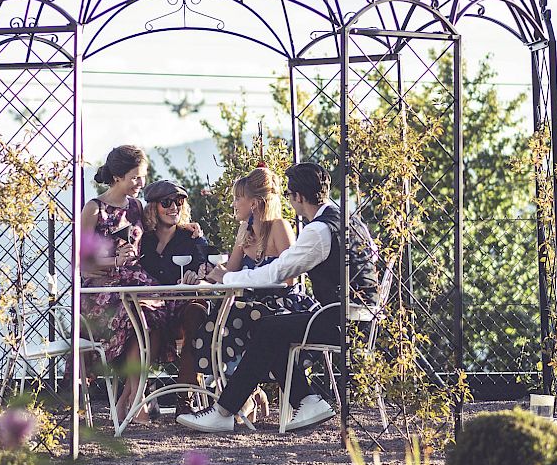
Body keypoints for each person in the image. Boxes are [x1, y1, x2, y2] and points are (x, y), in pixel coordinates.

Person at [177, 162, 381, 433]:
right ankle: (304, 400)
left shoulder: (318, 230)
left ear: (297, 197)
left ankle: (226, 411)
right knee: (271, 327)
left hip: (340, 318)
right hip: (363, 314)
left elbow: (278, 272)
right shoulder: (349, 220)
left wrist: (227, 278)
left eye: (290, 196)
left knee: (268, 327)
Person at [182, 167, 312, 411]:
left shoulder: (279, 227)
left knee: (238, 316)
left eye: (237, 198)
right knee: (220, 316)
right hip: (249, 305)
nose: (233, 203)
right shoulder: (245, 231)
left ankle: (239, 398)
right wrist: (205, 275)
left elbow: (289, 280)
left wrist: (232, 276)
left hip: (281, 304)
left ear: (253, 203)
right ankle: (244, 394)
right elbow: (227, 273)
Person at [78, 144, 182, 424]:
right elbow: (83, 265)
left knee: (159, 311)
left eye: (142, 176)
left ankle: (131, 396)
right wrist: (114, 261)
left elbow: (160, 229)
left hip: (134, 281)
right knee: (136, 313)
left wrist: (187, 227)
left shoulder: (136, 207)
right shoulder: (94, 209)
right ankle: (138, 400)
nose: (140, 183)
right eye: (135, 177)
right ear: (117, 178)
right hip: (101, 290)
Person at [138, 178, 212, 393]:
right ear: (153, 208)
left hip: (183, 306)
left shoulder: (191, 237)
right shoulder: (143, 240)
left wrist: (196, 276)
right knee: (143, 320)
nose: (173, 207)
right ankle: (136, 393)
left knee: (196, 313)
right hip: (154, 308)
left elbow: (206, 267)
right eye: (166, 202)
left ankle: (184, 396)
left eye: (178, 202)